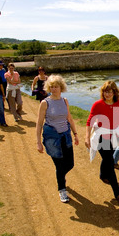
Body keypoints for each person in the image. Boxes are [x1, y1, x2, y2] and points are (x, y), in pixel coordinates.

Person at [85, 80, 119, 200]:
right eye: (105, 92)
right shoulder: (98, 104)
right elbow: (90, 121)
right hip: (101, 136)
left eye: (110, 92)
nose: (107, 94)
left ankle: (103, 175)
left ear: (114, 92)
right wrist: (86, 137)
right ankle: (117, 191)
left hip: (113, 136)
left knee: (107, 159)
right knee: (110, 161)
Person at [36, 75, 79, 203]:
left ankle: (60, 177)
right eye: (52, 87)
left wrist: (75, 134)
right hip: (52, 138)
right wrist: (38, 142)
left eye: (57, 87)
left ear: (61, 88)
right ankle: (62, 190)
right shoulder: (45, 103)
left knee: (70, 163)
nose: (54, 89)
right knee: (59, 165)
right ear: (49, 88)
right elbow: (39, 123)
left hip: (65, 135)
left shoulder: (64, 100)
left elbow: (69, 119)